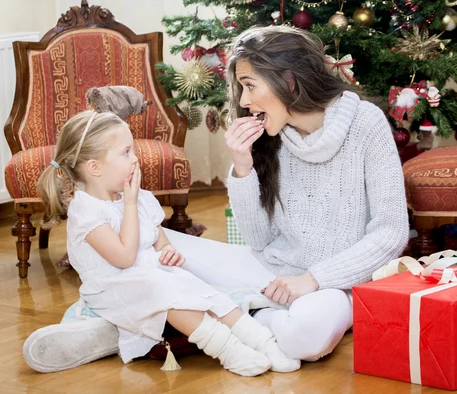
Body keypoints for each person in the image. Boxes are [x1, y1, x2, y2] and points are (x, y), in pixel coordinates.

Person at [23, 25, 409, 369]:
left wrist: (314, 279)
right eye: (242, 87)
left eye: (250, 85)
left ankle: (164, 323)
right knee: (152, 244)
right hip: (270, 269)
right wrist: (242, 167)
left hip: (333, 282)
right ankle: (183, 317)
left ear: (289, 82)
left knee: (304, 338)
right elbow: (258, 242)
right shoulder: (269, 136)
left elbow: (391, 233)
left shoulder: (366, 125)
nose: (243, 100)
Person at [24, 110, 299, 375]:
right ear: (94, 167)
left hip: (151, 277)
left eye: (133, 149)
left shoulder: (139, 197)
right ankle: (227, 350)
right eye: (125, 152)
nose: (135, 159)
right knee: (162, 288)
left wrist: (169, 254)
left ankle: (263, 341)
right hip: (113, 288)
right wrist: (130, 203)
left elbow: (161, 242)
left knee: (190, 282)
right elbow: (124, 258)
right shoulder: (86, 211)